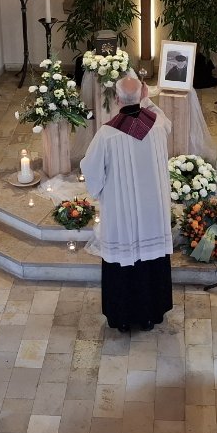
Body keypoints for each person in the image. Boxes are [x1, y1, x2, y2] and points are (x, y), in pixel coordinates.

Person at [81, 74, 174, 332]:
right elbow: (164, 121)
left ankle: (122, 318)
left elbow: (91, 169)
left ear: (117, 98)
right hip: (152, 212)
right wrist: (146, 100)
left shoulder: (107, 134)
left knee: (124, 261)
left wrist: (99, 190)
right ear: (142, 96)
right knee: (151, 261)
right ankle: (150, 315)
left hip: (122, 213)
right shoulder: (157, 124)